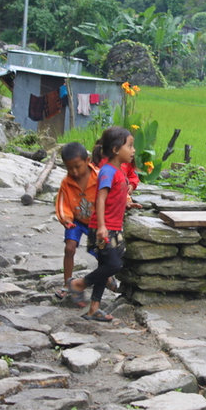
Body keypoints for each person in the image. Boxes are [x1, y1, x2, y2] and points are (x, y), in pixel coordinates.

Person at [66, 127, 134, 321]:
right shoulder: (107, 171)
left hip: (113, 227)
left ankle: (94, 308)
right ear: (115, 150)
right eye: (129, 146)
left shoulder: (118, 172)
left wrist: (127, 203)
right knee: (114, 265)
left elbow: (114, 197)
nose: (133, 150)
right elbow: (101, 199)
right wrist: (102, 227)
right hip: (104, 228)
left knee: (105, 267)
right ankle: (79, 283)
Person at [54, 142, 104, 303]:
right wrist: (66, 219)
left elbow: (116, 191)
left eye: (78, 167)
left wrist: (127, 201)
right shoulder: (66, 183)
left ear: (88, 160)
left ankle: (104, 278)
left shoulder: (99, 177)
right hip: (75, 220)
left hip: (96, 221)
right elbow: (62, 204)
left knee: (101, 253)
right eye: (70, 168)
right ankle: (68, 283)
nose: (74, 172)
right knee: (69, 248)